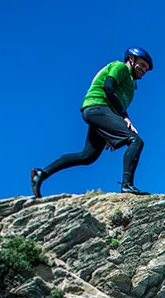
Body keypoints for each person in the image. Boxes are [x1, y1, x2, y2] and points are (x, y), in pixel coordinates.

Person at [30, 47, 154, 198]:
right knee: (135, 140)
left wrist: (109, 131)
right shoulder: (120, 67)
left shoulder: (131, 85)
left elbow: (114, 103)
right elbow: (108, 88)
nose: (143, 70)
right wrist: (124, 117)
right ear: (131, 59)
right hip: (97, 107)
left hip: (99, 113)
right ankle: (127, 185)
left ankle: (41, 174)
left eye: (146, 69)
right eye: (141, 64)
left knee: (87, 156)